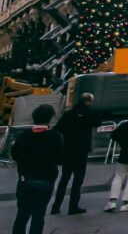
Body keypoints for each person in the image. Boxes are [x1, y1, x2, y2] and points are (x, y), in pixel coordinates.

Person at [12, 104, 64, 234]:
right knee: (38, 216)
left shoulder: (23, 136)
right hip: (46, 180)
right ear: (49, 119)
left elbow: (15, 154)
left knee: (21, 216)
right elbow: (60, 158)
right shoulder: (54, 136)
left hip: (25, 180)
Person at [51, 92, 97, 215]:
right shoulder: (89, 113)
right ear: (88, 102)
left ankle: (56, 206)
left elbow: (57, 129)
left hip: (68, 149)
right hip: (82, 150)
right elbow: (97, 123)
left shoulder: (68, 114)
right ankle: (73, 206)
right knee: (78, 179)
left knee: (64, 178)